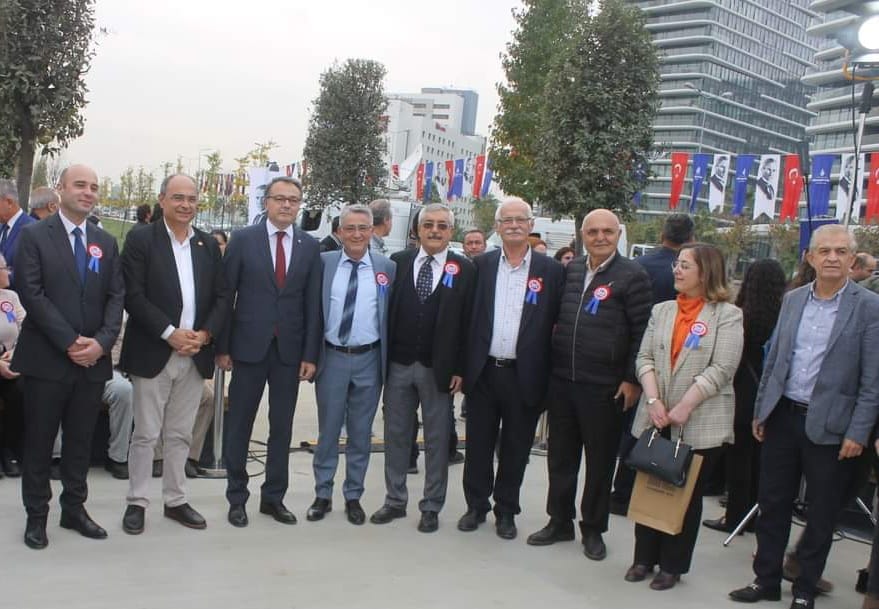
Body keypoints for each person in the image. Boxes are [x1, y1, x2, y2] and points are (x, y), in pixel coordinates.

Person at [730, 224, 879, 609]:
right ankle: (765, 580)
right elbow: (776, 360)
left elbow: (872, 379)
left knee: (822, 513)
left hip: (833, 427)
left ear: (852, 259)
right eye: (824, 251)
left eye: (841, 252)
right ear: (810, 257)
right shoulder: (793, 299)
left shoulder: (868, 307)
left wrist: (858, 432)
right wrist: (762, 410)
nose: (832, 258)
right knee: (772, 503)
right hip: (782, 416)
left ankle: (804, 588)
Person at [527, 209, 652, 561]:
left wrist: (631, 379)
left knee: (599, 463)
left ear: (618, 235)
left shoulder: (633, 275)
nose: (600, 237)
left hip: (605, 387)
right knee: (560, 458)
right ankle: (559, 521)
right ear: (582, 235)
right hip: (563, 381)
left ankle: (593, 529)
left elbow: (643, 332)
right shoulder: (571, 270)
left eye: (607, 232)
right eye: (593, 231)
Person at [14, 164, 124, 549]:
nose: (88, 192)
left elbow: (116, 296)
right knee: (40, 442)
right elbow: (31, 292)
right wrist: (70, 342)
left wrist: (102, 343)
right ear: (60, 188)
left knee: (80, 442)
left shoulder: (105, 241)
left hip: (92, 362)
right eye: (80, 185)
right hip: (47, 360)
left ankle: (74, 509)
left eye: (94, 187)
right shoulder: (34, 235)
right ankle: (36, 516)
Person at [626, 243, 743, 590]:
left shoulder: (727, 315)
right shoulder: (662, 310)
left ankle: (672, 565)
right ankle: (643, 558)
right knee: (650, 484)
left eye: (685, 266)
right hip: (656, 416)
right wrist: (653, 399)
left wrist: (685, 406)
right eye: (677, 264)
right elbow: (644, 357)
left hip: (698, 420)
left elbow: (722, 368)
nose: (676, 270)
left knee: (684, 495)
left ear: (706, 273)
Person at [119, 174, 228, 535]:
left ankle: (176, 500)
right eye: (178, 197)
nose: (185, 205)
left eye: (192, 199)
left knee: (180, 434)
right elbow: (133, 295)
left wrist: (205, 334)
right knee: (146, 434)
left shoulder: (206, 245)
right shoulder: (141, 240)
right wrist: (169, 333)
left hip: (195, 353)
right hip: (154, 351)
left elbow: (222, 297)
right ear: (162, 199)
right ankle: (137, 501)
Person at [217, 176, 321, 528]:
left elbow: (312, 304)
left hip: (288, 353)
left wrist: (310, 355)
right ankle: (237, 497)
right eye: (280, 198)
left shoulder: (309, 246)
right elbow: (226, 295)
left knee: (282, 427)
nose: (287, 205)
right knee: (239, 425)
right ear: (267, 202)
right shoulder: (243, 240)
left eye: (293, 199)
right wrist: (223, 346)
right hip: (247, 349)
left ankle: (273, 498)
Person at [457, 197, 564, 540]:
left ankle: (506, 511)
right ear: (498, 226)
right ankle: (476, 506)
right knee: (478, 446)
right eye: (507, 220)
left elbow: (557, 324)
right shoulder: (480, 266)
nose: (514, 225)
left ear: (531, 225)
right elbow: (466, 319)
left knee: (516, 449)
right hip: (484, 372)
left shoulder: (551, 271)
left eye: (521, 219)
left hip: (525, 375)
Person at [371, 203, 474, 533]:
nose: (434, 230)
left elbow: (469, 324)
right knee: (396, 436)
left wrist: (460, 368)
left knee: (437, 440)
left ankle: (431, 506)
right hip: (399, 365)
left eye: (442, 225)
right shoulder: (398, 263)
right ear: (417, 229)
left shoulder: (465, 269)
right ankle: (394, 500)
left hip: (439, 370)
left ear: (451, 231)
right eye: (428, 224)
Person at [307, 204, 394, 526]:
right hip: (332, 357)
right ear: (340, 232)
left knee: (360, 433)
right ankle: (323, 493)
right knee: (328, 430)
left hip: (370, 359)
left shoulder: (387, 268)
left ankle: (353, 495)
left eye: (363, 228)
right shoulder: (324, 263)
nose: (357, 234)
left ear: (372, 231)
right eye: (350, 228)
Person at [610, 213, 696, 516]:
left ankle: (622, 493)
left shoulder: (640, 265)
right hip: (666, 364)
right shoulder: (652, 270)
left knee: (635, 431)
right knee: (664, 436)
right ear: (691, 238)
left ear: (662, 234)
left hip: (638, 362)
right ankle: (651, 497)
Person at [703, 259, 785, 534]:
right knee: (759, 460)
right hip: (770, 395)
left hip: (741, 393)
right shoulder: (784, 315)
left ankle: (735, 516)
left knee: (738, 458)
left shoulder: (741, 316)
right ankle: (752, 514)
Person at [0, 253, 24, 478]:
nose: (8, 272)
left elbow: (26, 327)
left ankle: (10, 452)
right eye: (4, 268)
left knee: (21, 391)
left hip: (11, 360)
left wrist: (15, 354)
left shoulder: (11, 297)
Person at [0, 178, 37, 286]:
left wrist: (6, 278)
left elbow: (33, 274)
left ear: (9, 202)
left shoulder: (34, 229)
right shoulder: (2, 226)